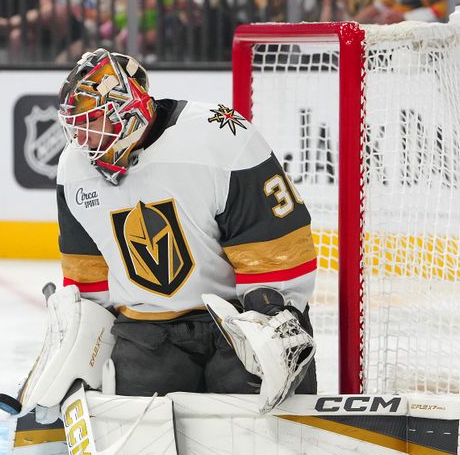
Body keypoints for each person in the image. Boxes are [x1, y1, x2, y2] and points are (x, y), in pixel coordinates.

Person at [55, 48, 318, 398]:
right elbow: (88, 279)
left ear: (128, 107)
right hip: (145, 332)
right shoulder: (74, 169)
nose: (83, 140)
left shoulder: (218, 135)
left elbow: (275, 252)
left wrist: (270, 318)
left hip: (238, 323)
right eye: (77, 127)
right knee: (134, 428)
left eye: (93, 121)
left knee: (266, 415)